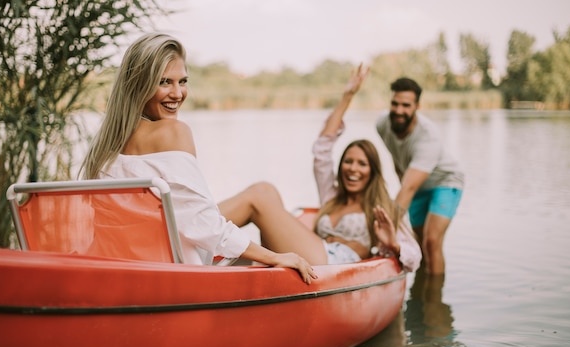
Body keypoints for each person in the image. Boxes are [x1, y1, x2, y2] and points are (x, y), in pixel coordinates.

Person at [78, 33, 317, 284]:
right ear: (139, 84)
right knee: (263, 202)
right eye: (164, 82)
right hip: (178, 278)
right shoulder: (173, 132)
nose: (178, 93)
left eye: (183, 81)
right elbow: (205, 226)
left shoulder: (104, 147)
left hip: (126, 271)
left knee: (263, 195)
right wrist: (275, 257)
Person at [219, 65, 421, 272]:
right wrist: (347, 97)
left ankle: (193, 225)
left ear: (373, 172)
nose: (353, 169)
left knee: (257, 200)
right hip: (316, 253)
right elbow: (322, 151)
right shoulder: (331, 197)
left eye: (362, 164)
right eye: (348, 161)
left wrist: (392, 244)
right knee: (264, 189)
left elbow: (414, 257)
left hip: (334, 263)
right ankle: (195, 231)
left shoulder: (383, 208)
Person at [376, 78, 464, 276]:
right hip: (416, 185)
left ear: (417, 106)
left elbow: (408, 189)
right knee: (419, 245)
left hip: (445, 181)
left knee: (431, 242)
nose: (399, 110)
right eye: (395, 103)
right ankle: (420, 288)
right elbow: (398, 161)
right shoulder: (382, 124)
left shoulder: (428, 136)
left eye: (406, 105)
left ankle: (433, 300)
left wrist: (386, 228)